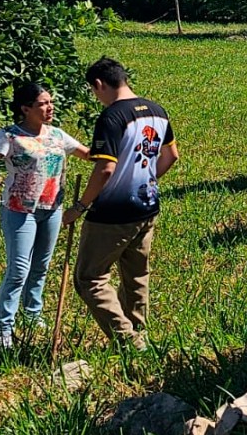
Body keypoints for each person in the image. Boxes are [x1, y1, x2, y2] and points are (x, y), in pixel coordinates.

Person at [66, 58, 179, 350]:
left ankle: (126, 339)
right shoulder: (157, 111)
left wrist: (79, 206)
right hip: (147, 205)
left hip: (112, 214)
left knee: (89, 278)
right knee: (136, 272)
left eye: (94, 91)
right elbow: (171, 156)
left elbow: (104, 169)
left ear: (99, 84)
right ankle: (138, 329)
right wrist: (146, 181)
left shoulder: (112, 117)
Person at [0, 84, 90, 349]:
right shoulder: (10, 136)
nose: (50, 107)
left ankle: (32, 314)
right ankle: (2, 330)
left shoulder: (58, 135)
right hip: (19, 210)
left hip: (51, 210)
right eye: (43, 104)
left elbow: (88, 154)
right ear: (26, 109)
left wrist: (114, 145)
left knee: (41, 266)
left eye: (51, 102)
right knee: (18, 270)